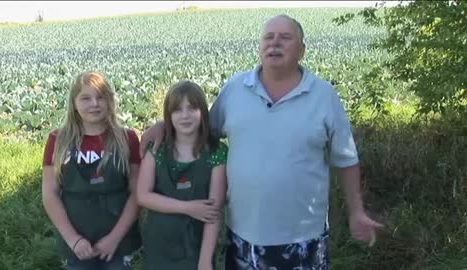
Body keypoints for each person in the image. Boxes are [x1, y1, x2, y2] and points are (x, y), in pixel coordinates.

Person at [141, 14, 384, 270]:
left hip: (304, 239)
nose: (274, 43)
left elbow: (345, 159)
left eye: (285, 37)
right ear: (259, 47)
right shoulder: (235, 90)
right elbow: (201, 131)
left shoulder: (324, 96)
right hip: (244, 238)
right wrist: (163, 126)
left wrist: (356, 211)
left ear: (301, 49)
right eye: (268, 37)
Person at [42, 72, 142, 270]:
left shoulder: (127, 138)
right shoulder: (58, 140)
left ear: (110, 101)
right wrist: (73, 239)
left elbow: (137, 193)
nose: (94, 104)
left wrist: (114, 238)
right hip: (77, 242)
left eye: (101, 97)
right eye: (86, 98)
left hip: (119, 242)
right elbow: (50, 193)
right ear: (74, 103)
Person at [136, 80, 228, 270]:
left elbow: (214, 211)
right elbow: (143, 195)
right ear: (168, 116)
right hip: (159, 245)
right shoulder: (157, 150)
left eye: (192, 108)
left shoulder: (217, 152)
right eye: (177, 110)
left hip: (196, 245)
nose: (185, 115)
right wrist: (187, 207)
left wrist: (205, 261)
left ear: (203, 111)